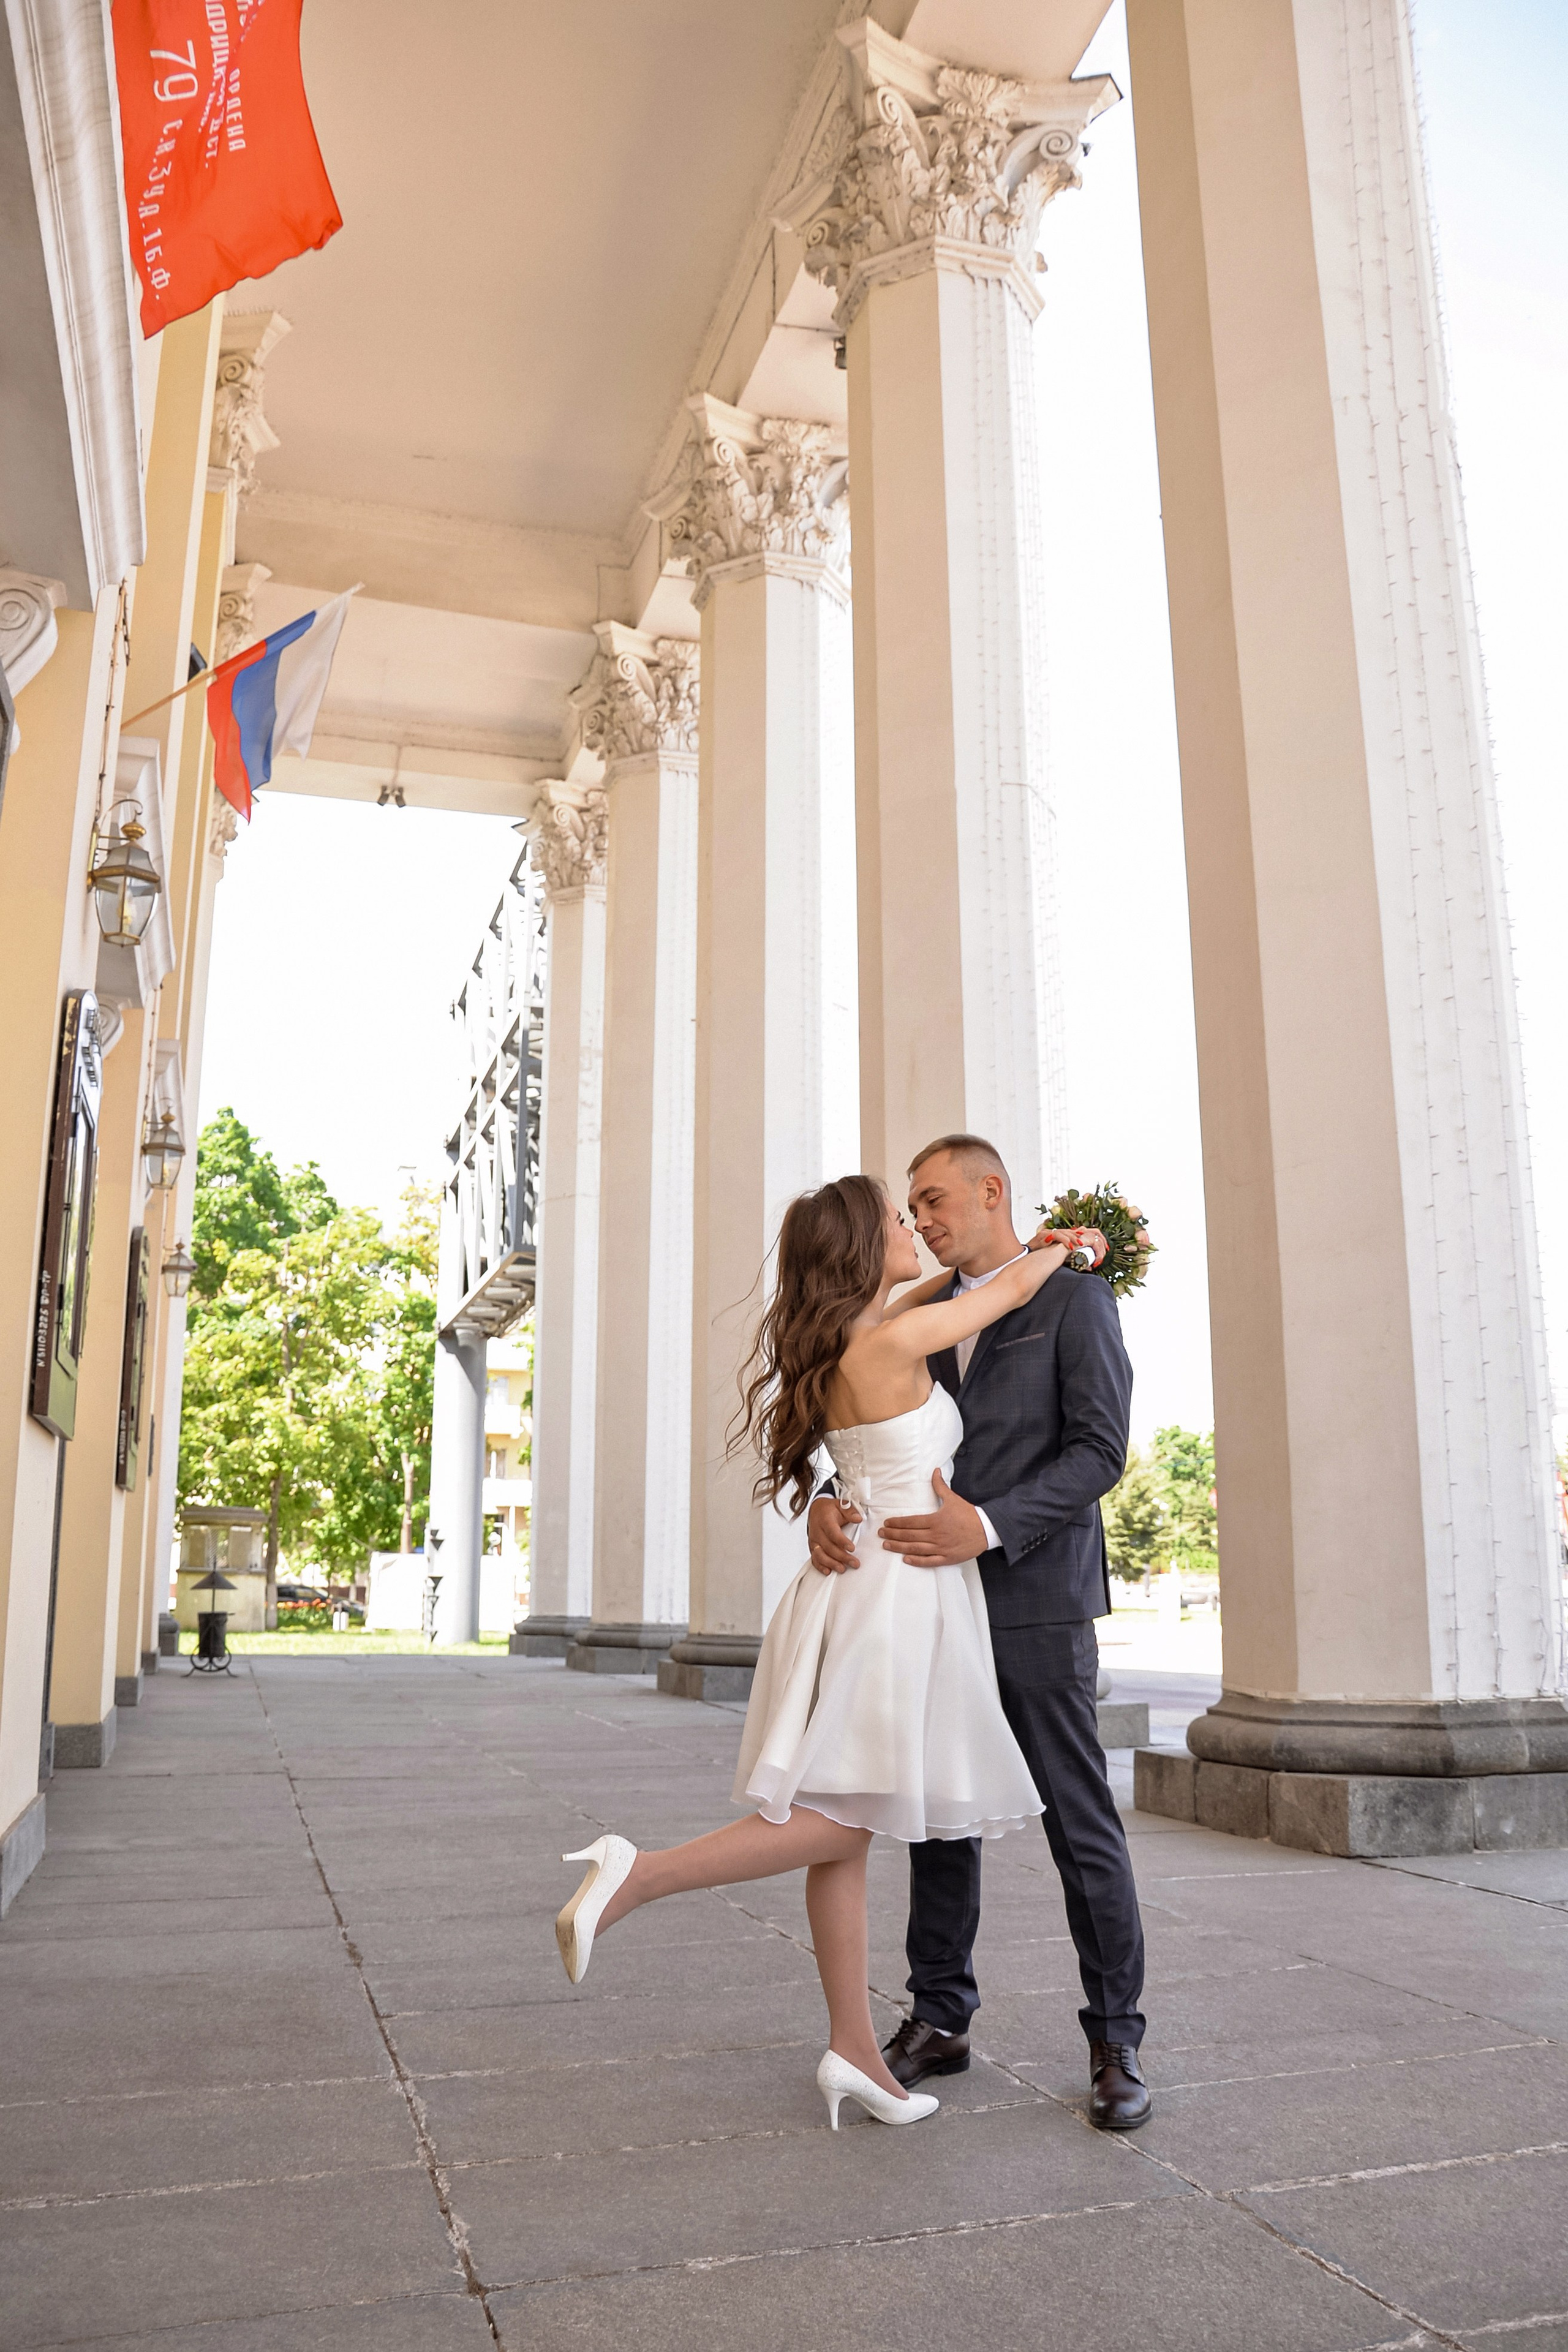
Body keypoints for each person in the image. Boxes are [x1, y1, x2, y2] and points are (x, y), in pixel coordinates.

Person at [554, 1173, 1091, 2132]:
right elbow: (1003, 1291)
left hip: (861, 1587)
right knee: (844, 1824)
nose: (914, 1230)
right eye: (897, 1218)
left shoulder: (860, 1334)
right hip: (897, 1597)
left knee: (839, 1833)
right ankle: (642, 1873)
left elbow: (941, 1295)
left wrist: (975, 1268)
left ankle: (854, 2049)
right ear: (858, 1248)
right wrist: (1069, 1246)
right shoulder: (887, 1340)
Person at [807, 1134, 1150, 2130]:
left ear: (991, 1190)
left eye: (933, 1199)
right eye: (910, 1209)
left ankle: (1116, 2037)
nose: (920, 1220)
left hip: (1034, 1596)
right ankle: (941, 2016)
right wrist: (834, 1497)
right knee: (938, 1820)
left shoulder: (1074, 1300)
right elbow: (883, 1431)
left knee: (1078, 1824)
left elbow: (1100, 1449)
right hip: (923, 1598)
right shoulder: (916, 1313)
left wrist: (987, 1528)